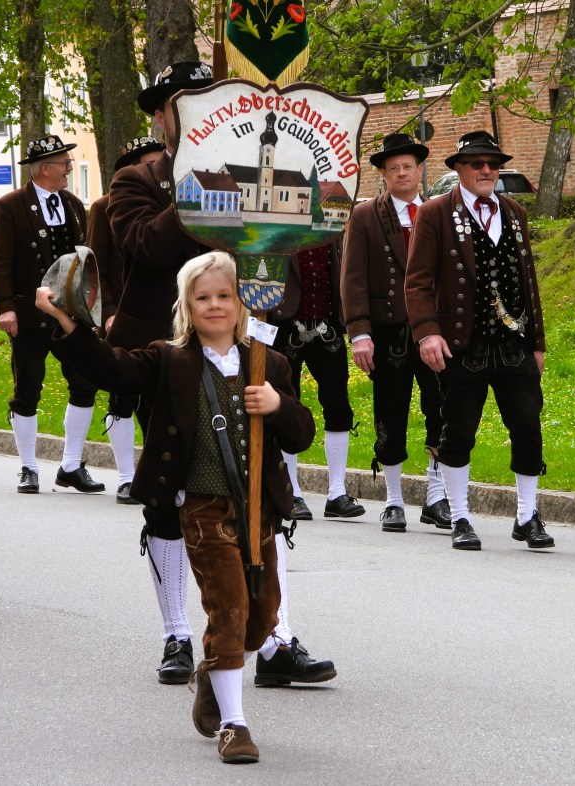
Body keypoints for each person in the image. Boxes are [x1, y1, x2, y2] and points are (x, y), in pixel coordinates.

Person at [107, 61, 336, 688]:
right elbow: (146, 246)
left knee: (264, 488)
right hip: (169, 359)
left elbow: (282, 246)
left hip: (244, 348)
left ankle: (274, 640)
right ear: (162, 117)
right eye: (182, 105)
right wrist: (200, 181)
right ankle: (178, 633)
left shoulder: (250, 170)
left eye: (208, 102)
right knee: (172, 494)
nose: (197, 114)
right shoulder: (136, 181)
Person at [36, 251, 315, 763]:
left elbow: (301, 435)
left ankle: (213, 672)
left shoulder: (268, 362)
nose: (215, 305)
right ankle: (234, 725)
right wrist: (67, 323)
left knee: (261, 620)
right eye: (203, 297)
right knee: (229, 611)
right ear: (187, 305)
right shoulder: (168, 359)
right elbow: (111, 369)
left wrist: (278, 406)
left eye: (225, 295)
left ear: (242, 302)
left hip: (258, 509)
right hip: (202, 510)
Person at [405, 130, 554, 552]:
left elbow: (528, 281)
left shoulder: (515, 212)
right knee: (458, 431)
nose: (487, 170)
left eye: (493, 164)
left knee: (528, 426)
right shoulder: (434, 213)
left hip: (513, 342)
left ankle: (526, 516)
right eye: (477, 164)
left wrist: (537, 341)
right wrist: (427, 333)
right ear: (459, 169)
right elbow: (417, 282)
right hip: (462, 344)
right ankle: (460, 516)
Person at [341, 133, 450, 533]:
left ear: (420, 171)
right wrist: (359, 333)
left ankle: (437, 496)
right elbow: (353, 277)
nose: (402, 173)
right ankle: (393, 500)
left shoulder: (437, 212)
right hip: (388, 333)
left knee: (441, 409)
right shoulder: (366, 215)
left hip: (434, 330)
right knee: (391, 412)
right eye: (394, 168)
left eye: (408, 166)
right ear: (384, 176)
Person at [0, 134, 105, 496]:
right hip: (28, 313)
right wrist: (5, 307)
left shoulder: (73, 204)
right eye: (64, 163)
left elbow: (84, 258)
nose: (69, 167)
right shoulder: (10, 206)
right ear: (44, 168)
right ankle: (28, 467)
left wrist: (91, 305)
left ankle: (71, 465)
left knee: (85, 381)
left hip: (70, 313)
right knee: (27, 387)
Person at [85, 135, 165, 504]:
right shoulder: (104, 207)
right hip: (123, 316)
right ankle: (125, 476)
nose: (156, 169)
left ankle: (153, 471)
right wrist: (108, 313)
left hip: (158, 315)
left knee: (157, 402)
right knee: (121, 397)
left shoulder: (166, 201)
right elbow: (95, 265)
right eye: (149, 163)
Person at [269, 242, 365, 522]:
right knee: (287, 405)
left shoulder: (331, 226)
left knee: (338, 404)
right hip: (285, 324)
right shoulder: (282, 224)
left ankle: (337, 492)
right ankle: (292, 491)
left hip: (327, 323)